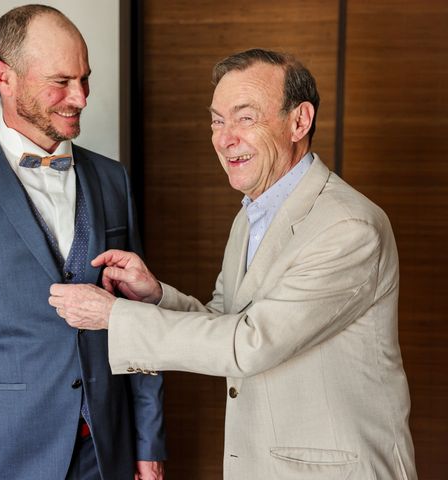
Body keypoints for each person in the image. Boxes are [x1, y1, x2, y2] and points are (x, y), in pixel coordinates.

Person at [49, 49, 417, 479]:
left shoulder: (348, 227)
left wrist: (114, 315)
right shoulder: (252, 214)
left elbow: (249, 343)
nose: (225, 138)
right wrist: (155, 295)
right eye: (217, 121)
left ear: (299, 121)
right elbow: (225, 322)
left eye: (245, 118)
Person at [0, 5, 166, 480]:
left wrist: (148, 443)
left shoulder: (112, 179)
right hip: (0, 459)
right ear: (4, 77)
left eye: (85, 78)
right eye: (60, 81)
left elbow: (138, 322)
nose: (80, 97)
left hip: (108, 455)